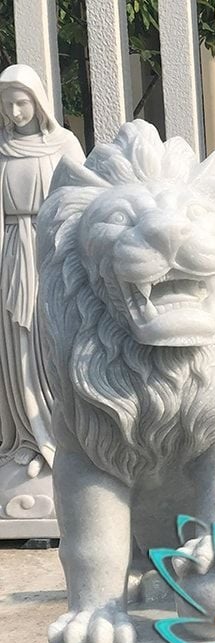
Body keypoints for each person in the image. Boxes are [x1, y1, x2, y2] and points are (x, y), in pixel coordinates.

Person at [0, 64, 84, 478]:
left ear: (37, 101)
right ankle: (28, 438)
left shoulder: (64, 144)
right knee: (18, 347)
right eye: (7, 105)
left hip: (51, 252)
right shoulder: (1, 148)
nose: (15, 112)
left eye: (21, 102)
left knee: (52, 339)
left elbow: (84, 198)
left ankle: (63, 438)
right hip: (11, 253)